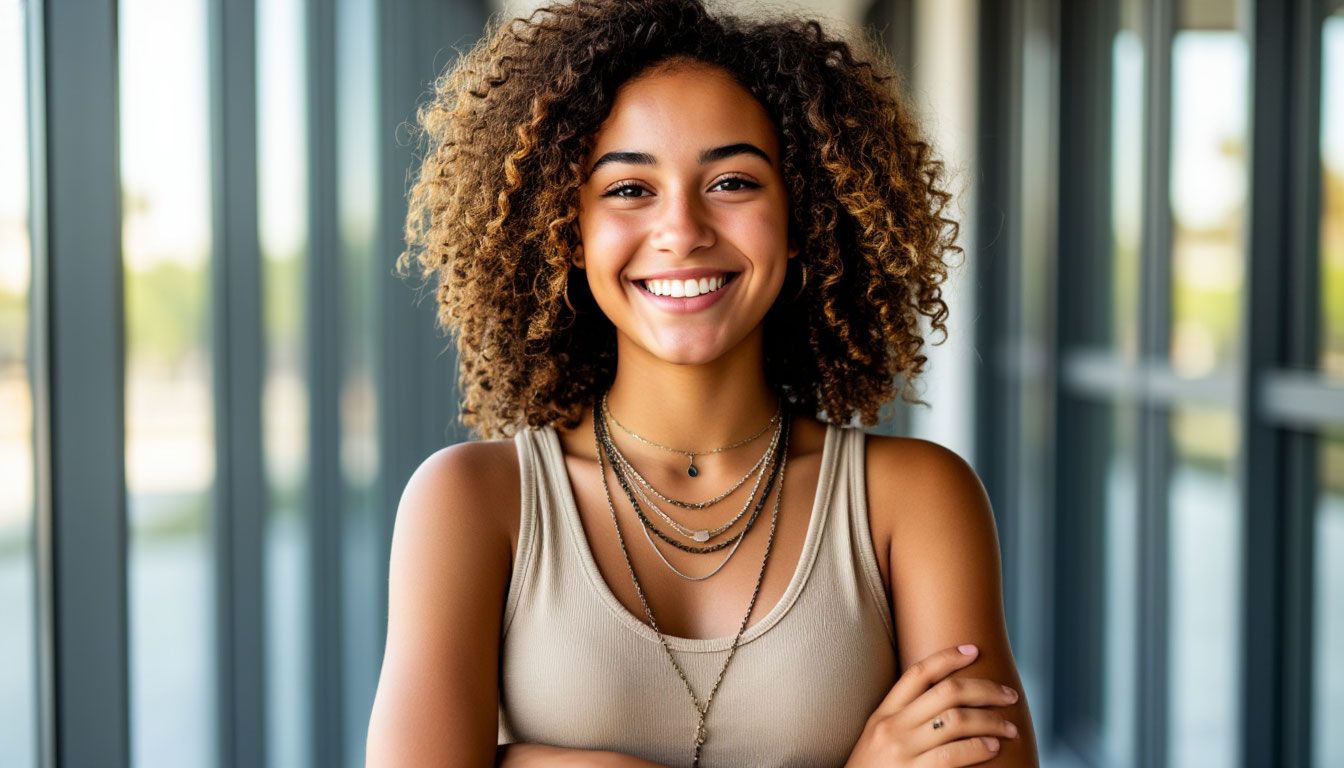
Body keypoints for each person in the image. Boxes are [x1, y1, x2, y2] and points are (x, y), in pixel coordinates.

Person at [366, 0, 1039, 765]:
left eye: (732, 182)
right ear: (566, 231)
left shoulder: (915, 500)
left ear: (803, 220)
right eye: (628, 189)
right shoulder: (472, 503)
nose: (682, 230)